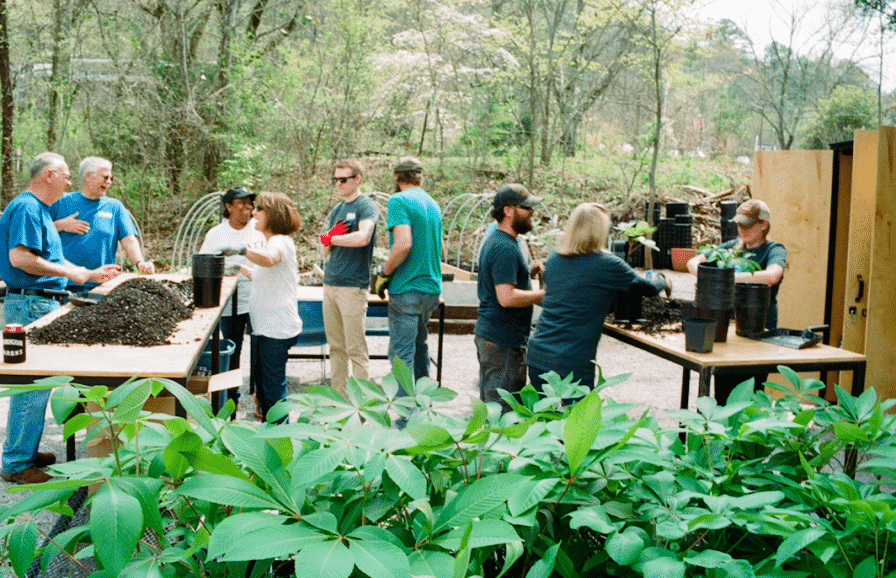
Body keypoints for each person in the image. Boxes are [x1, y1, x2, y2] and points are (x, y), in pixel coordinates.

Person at [0, 152, 121, 484]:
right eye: (66, 174)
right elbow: (20, 258)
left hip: (41, 301)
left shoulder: (40, 209)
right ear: (49, 175)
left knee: (41, 384)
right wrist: (72, 274)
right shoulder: (27, 207)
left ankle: (23, 450)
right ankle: (16, 463)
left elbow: (50, 258)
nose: (70, 181)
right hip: (31, 304)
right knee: (33, 385)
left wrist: (86, 273)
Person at [526, 203, 671, 396]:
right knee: (579, 416)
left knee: (542, 413)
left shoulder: (554, 259)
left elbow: (575, 295)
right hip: (572, 360)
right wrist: (663, 280)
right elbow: (648, 288)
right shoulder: (608, 264)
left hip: (539, 354)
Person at [686, 199, 786, 403]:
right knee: (723, 392)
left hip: (758, 331)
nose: (741, 229)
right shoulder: (731, 248)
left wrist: (728, 278)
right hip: (728, 329)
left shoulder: (773, 249)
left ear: (763, 224)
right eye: (739, 224)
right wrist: (707, 275)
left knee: (750, 394)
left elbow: (773, 275)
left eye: (747, 225)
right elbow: (693, 262)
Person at [228, 191, 303, 423]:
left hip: (276, 331)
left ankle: (281, 439)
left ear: (274, 215)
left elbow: (269, 259)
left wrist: (241, 250)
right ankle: (270, 438)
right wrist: (238, 267)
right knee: (264, 392)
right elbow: (263, 276)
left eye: (259, 209)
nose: (254, 213)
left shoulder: (279, 242)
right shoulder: (273, 242)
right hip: (264, 329)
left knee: (273, 396)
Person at [475, 184, 545, 410]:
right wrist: (543, 294)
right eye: (526, 207)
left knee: (500, 409)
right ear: (508, 211)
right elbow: (506, 297)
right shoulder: (503, 247)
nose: (532, 212)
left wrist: (527, 273)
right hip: (501, 342)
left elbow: (503, 282)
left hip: (500, 339)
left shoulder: (504, 241)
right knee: (500, 413)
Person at [374, 156, 442, 388]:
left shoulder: (398, 201)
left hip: (407, 290)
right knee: (420, 347)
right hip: (431, 290)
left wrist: (384, 274)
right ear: (420, 177)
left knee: (401, 357)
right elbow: (441, 249)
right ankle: (425, 402)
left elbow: (403, 244)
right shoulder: (433, 204)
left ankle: (404, 410)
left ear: (397, 177)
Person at [320, 159, 379, 398]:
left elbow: (363, 237)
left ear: (357, 179)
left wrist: (331, 238)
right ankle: (340, 401)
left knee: (356, 350)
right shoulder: (337, 210)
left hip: (353, 287)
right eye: (335, 180)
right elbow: (324, 249)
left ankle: (360, 405)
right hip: (330, 284)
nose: (338, 184)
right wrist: (329, 238)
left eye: (343, 179)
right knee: (336, 348)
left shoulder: (367, 206)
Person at [51, 156, 154, 290]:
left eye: (111, 178)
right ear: (88, 176)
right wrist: (60, 225)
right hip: (65, 285)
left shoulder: (115, 207)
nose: (109, 182)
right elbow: (37, 233)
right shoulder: (60, 201)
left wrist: (140, 263)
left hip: (102, 286)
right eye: (105, 177)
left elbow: (129, 240)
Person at [199, 187, 266, 383]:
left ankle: (259, 392)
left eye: (249, 203)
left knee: (260, 347)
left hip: (258, 297)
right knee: (233, 348)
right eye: (241, 203)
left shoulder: (259, 229)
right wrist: (232, 268)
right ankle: (231, 393)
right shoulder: (216, 233)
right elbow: (204, 264)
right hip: (230, 300)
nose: (247, 207)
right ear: (228, 207)